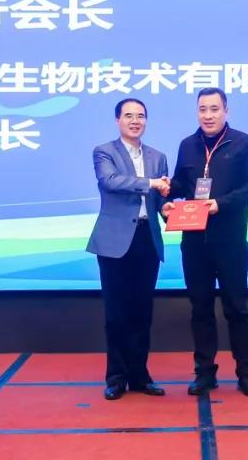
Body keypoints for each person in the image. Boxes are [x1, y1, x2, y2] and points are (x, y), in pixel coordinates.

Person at [163, 87, 248, 397]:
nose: (208, 115)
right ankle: (205, 373)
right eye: (203, 109)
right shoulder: (187, 145)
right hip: (194, 243)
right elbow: (182, 184)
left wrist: (221, 203)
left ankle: (246, 373)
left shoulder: (243, 143)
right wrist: (167, 195)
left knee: (237, 308)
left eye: (214, 109)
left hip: (230, 242)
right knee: (200, 309)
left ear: (226, 111)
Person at [87, 98, 171, 400]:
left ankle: (139, 376)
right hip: (114, 242)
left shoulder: (158, 157)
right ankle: (116, 377)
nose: (135, 121)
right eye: (129, 116)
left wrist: (168, 208)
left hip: (147, 238)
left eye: (141, 116)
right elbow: (111, 182)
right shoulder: (104, 152)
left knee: (141, 311)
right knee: (116, 313)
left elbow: (160, 200)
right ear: (118, 120)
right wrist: (153, 183)